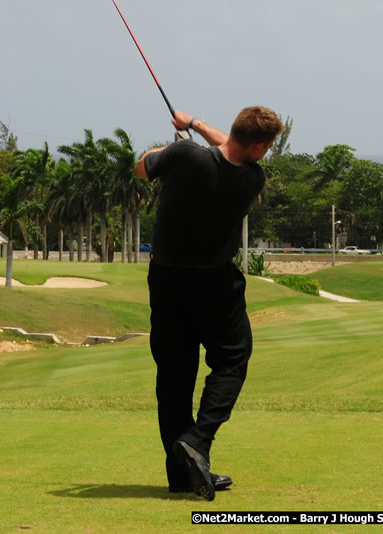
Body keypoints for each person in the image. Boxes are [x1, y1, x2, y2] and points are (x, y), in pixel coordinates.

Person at [135, 106, 284, 500]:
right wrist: (196, 126)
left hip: (167, 280)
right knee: (233, 360)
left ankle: (183, 475)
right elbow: (231, 150)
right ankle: (197, 444)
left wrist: (176, 142)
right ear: (260, 147)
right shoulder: (253, 177)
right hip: (214, 283)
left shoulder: (185, 156)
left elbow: (141, 167)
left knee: (173, 377)